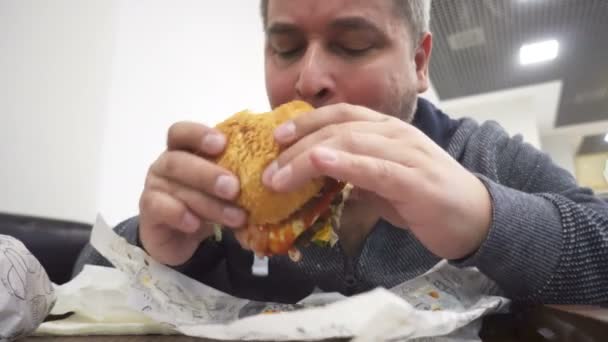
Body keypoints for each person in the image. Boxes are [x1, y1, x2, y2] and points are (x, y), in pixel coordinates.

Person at [75, 0, 608, 306]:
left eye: (353, 44)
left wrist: (487, 219)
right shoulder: (232, 178)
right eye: (284, 47)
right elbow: (75, 288)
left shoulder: (483, 154)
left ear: (420, 64)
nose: (308, 79)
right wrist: (151, 251)